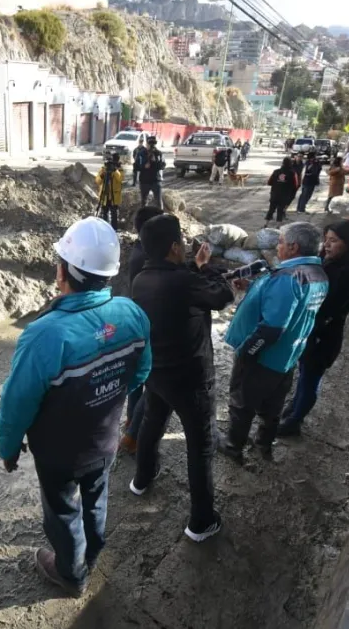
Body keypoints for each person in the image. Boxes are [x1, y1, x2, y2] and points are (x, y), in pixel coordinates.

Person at [0, 217, 151, 596]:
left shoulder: (43, 335)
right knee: (97, 497)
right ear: (110, 274)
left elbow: (17, 405)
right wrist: (105, 399)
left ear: (63, 271)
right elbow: (141, 372)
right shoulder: (132, 314)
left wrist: (9, 447)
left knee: (63, 511)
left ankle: (71, 572)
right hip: (105, 442)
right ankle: (93, 551)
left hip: (59, 455)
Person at [130, 214, 234, 541]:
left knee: (151, 423)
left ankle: (142, 479)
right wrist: (204, 266)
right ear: (175, 246)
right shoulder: (186, 280)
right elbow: (222, 296)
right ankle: (201, 521)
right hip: (191, 380)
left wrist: (197, 270)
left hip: (157, 372)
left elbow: (182, 285)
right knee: (200, 445)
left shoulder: (141, 279)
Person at [220, 222, 329, 462]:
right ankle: (263, 445)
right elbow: (292, 308)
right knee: (273, 405)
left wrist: (247, 352)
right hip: (288, 355)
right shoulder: (317, 274)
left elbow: (272, 328)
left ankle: (233, 446)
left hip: (264, 356)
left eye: (280, 242)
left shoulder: (289, 277)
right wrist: (252, 288)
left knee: (242, 402)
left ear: (293, 247)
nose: (277, 247)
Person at [278, 221, 349, 436]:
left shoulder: (348, 273)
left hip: (323, 336)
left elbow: (328, 308)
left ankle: (294, 422)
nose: (327, 245)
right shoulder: (329, 262)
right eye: (326, 239)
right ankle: (295, 407)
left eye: (333, 241)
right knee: (304, 372)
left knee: (310, 377)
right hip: (311, 330)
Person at [121, 205, 165, 454]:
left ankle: (130, 423)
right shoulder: (147, 259)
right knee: (152, 382)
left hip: (138, 323)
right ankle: (133, 435)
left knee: (138, 379)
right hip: (149, 326)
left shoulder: (140, 251)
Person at [266, 157, 300, 224]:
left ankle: (266, 223)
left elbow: (269, 182)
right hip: (285, 195)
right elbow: (296, 185)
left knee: (271, 209)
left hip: (274, 194)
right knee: (280, 210)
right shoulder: (293, 173)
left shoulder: (276, 171)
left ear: (283, 163)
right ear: (291, 163)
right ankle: (278, 225)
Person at [95, 153, 123, 231]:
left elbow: (120, 179)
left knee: (114, 214)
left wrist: (115, 170)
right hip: (105, 195)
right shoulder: (103, 169)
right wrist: (102, 175)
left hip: (114, 196)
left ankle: (114, 229)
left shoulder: (119, 169)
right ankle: (104, 228)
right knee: (104, 213)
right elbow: (97, 181)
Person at [138, 136, 165, 208]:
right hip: (144, 181)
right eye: (150, 143)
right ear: (146, 144)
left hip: (155, 180)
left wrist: (155, 162)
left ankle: (160, 217)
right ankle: (144, 217)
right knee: (143, 202)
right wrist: (144, 166)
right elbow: (136, 166)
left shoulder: (159, 153)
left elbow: (162, 166)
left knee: (158, 202)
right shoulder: (141, 153)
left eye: (153, 143)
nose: (152, 145)